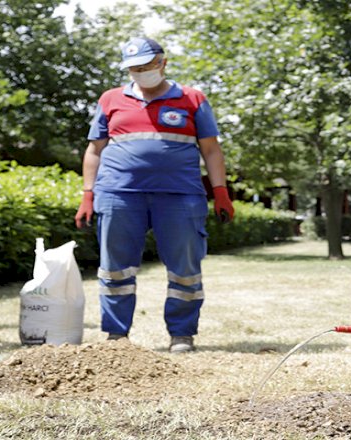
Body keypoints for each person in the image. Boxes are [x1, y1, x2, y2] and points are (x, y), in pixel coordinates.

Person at [75, 37, 234, 353]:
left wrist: (220, 191)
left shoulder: (193, 99)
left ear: (163, 63)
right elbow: (94, 150)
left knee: (184, 267)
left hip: (179, 196)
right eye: (134, 68)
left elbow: (212, 150)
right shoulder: (110, 99)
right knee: (115, 268)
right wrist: (88, 194)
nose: (141, 72)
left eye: (147, 66)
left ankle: (182, 334)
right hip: (119, 195)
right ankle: (116, 337)